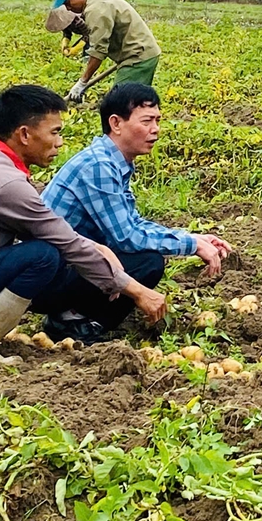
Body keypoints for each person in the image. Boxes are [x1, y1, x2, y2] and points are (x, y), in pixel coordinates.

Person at [0, 85, 168, 364]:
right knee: (41, 256)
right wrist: (136, 290)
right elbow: (63, 241)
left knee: (48, 250)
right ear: (25, 134)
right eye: (55, 132)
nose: (60, 142)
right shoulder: (5, 184)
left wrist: (96, 247)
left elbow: (55, 231)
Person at [42, 83, 231, 343]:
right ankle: (68, 320)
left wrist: (193, 237)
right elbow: (127, 237)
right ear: (116, 123)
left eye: (157, 120)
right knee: (146, 262)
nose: (155, 129)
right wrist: (191, 245)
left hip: (72, 260)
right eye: (147, 121)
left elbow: (132, 224)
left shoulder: (113, 162)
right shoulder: (98, 166)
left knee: (144, 258)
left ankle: (76, 315)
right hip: (49, 273)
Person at [48, 0, 162, 99]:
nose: (68, 8)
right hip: (136, 53)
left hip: (138, 57)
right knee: (133, 103)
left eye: (68, 3)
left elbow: (98, 51)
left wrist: (82, 82)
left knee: (120, 104)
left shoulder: (96, 10)